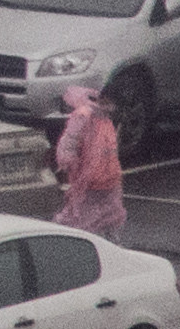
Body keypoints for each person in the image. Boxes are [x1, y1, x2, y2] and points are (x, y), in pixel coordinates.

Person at [54, 81, 130, 239]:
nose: (111, 107)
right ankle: (77, 237)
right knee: (84, 213)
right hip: (91, 177)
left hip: (108, 177)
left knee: (109, 212)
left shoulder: (106, 119)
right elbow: (70, 140)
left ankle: (107, 239)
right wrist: (67, 160)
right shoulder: (85, 115)